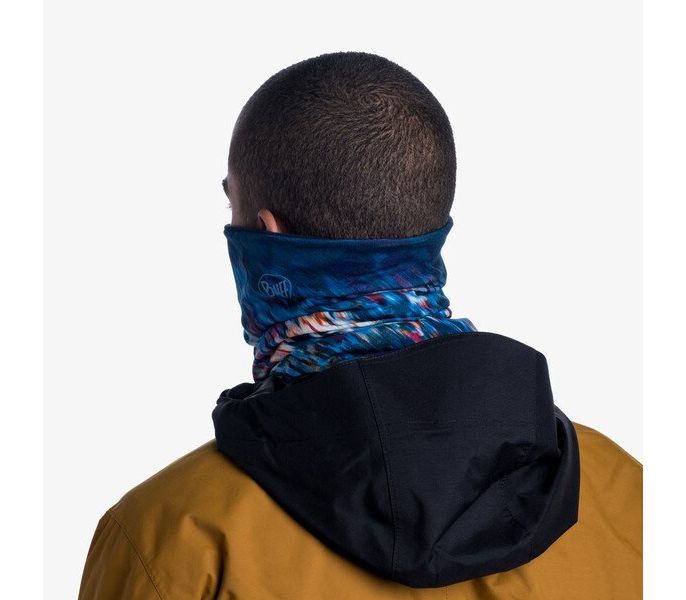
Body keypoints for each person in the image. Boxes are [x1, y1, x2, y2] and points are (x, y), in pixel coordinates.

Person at [78, 51, 642, 599]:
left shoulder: (170, 541)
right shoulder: (627, 496)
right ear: (431, 220)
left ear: (267, 236)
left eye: (233, 207)